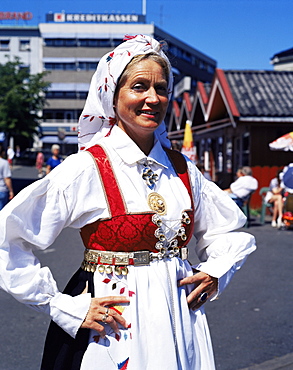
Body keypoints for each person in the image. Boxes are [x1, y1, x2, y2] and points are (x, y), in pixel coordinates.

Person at [0, 35, 256, 370]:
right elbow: (9, 237)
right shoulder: (88, 167)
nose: (153, 98)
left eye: (161, 88)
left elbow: (228, 231)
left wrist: (215, 271)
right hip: (114, 326)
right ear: (112, 94)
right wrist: (65, 306)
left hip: (180, 321)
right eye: (139, 86)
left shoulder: (182, 169)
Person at [0, 145, 14, 210]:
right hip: (1, 190)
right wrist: (11, 191)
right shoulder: (4, 163)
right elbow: (7, 179)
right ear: (2, 152)